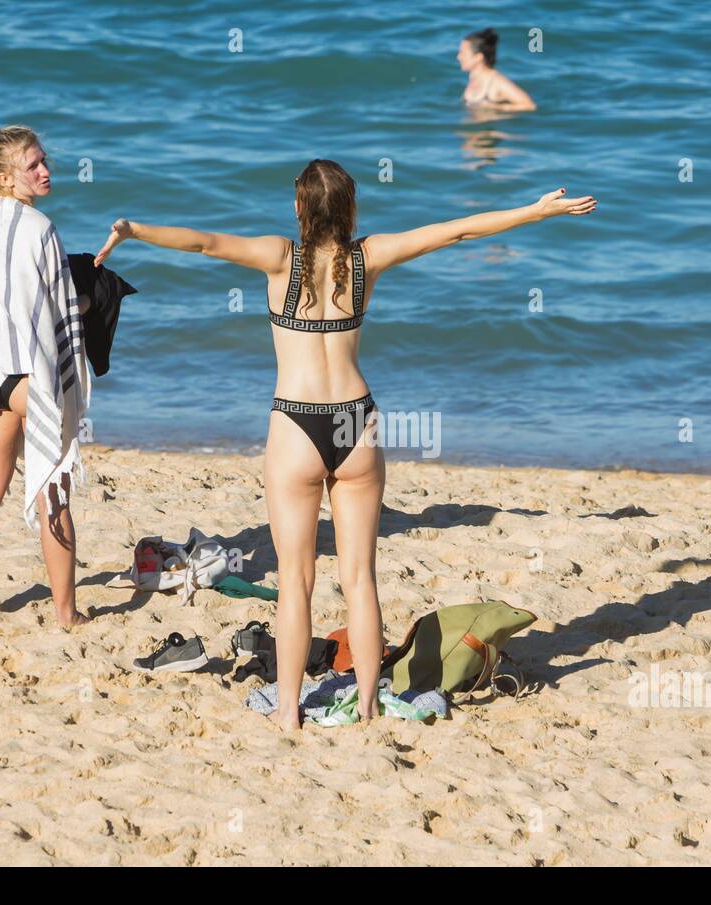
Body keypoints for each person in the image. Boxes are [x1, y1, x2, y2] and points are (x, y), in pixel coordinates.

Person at [94, 160, 593, 728]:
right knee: (360, 578)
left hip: (297, 425)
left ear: (299, 208)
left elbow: (206, 243)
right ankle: (371, 706)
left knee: (296, 581)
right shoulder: (367, 258)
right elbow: (456, 231)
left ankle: (287, 709)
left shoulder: (279, 258)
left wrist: (134, 231)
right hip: (356, 423)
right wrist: (534, 210)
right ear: (350, 209)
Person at [0, 125, 91, 630]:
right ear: (8, 177)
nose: (45, 171)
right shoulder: (41, 229)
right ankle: (66, 614)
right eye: (33, 165)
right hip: (31, 379)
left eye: (45, 160)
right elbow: (61, 310)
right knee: (52, 490)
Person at [459, 28, 536, 111]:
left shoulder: (497, 82)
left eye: (463, 53)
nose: (459, 57)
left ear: (478, 57)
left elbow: (530, 106)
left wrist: (495, 107)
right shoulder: (473, 78)